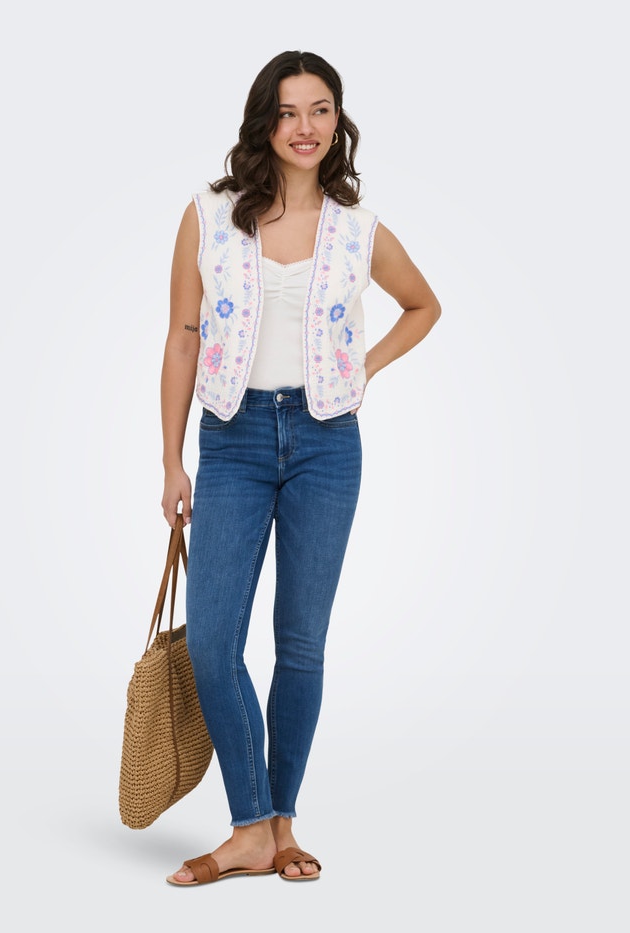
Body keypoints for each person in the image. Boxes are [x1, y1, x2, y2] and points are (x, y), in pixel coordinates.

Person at [159, 50, 441, 886]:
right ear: (265, 121)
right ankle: (253, 825)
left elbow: (424, 304)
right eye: (288, 112)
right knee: (213, 642)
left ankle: (278, 823)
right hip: (232, 438)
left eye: (320, 110)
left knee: (301, 643)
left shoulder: (359, 228)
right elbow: (182, 338)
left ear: (337, 120)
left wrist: (365, 367)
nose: (305, 127)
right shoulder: (209, 214)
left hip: (326, 441)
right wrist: (170, 460)